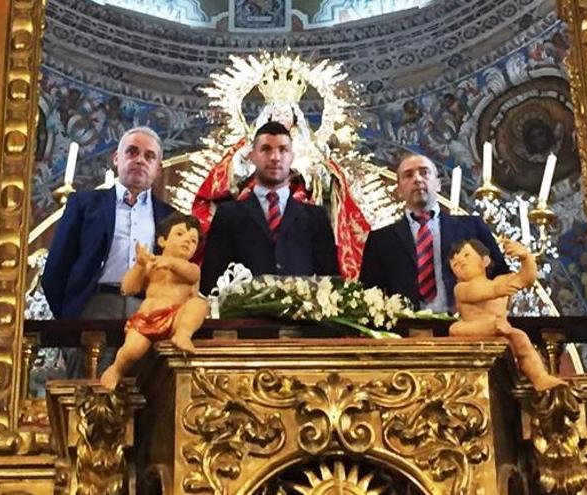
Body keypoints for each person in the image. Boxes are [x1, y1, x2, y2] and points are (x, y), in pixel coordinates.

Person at [42, 127, 174, 377]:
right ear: (117, 158)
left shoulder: (168, 216)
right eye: (132, 152)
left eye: (149, 156)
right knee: (88, 394)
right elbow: (55, 272)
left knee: (143, 397)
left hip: (147, 312)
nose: (140, 160)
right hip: (94, 307)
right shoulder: (85, 204)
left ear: (158, 168)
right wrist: (73, 316)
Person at [200, 121, 339, 293]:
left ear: (292, 157)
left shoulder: (315, 218)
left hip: (299, 317)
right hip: (243, 317)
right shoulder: (228, 215)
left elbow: (331, 282)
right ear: (252, 156)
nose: (275, 157)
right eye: (266, 149)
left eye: (283, 150)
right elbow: (211, 280)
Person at [359, 154, 508, 312]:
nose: (417, 179)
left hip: (466, 325)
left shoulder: (472, 227)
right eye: (408, 175)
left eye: (424, 172)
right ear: (399, 190)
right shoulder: (381, 240)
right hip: (407, 329)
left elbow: (502, 277)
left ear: (437, 184)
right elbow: (369, 294)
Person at [100, 213, 209, 390]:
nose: (187, 241)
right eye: (180, 234)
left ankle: (183, 334)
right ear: (162, 241)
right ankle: (116, 370)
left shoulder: (191, 268)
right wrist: (139, 265)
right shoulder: (152, 266)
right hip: (147, 319)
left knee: (199, 305)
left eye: (193, 240)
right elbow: (128, 288)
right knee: (131, 351)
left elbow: (192, 274)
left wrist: (171, 262)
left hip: (176, 317)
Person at [448, 239, 564, 391]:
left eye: (466, 255)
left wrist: (525, 257)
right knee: (455, 328)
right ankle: (492, 327)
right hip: (474, 329)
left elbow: (527, 278)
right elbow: (478, 292)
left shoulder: (501, 281)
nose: (461, 262)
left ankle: (539, 377)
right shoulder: (461, 288)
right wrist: (498, 290)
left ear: (485, 260)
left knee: (521, 338)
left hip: (503, 329)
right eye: (455, 264)